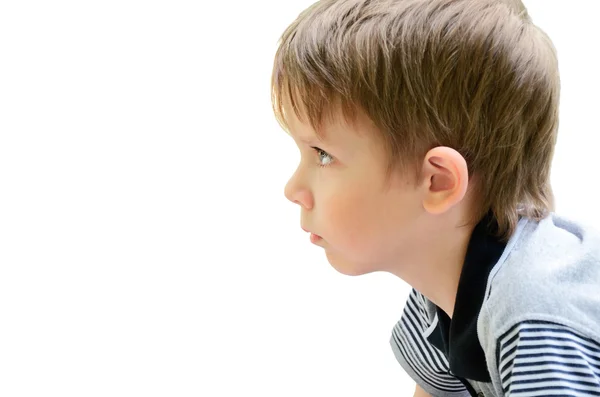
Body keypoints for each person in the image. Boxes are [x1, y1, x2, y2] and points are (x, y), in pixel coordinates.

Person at [270, 0, 600, 396]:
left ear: (437, 182)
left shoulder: (534, 320)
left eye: (323, 155)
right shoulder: (442, 291)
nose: (293, 189)